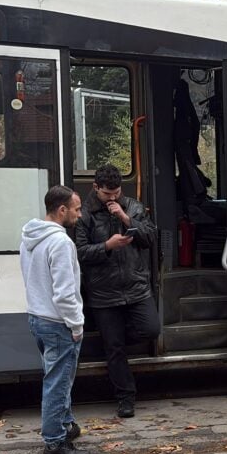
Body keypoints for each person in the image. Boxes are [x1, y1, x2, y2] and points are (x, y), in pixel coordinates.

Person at [75, 164, 160, 418]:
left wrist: (126, 218)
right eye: (107, 194)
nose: (112, 198)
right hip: (103, 292)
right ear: (95, 188)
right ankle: (126, 397)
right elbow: (79, 252)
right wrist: (107, 246)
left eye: (116, 192)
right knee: (114, 349)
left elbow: (150, 238)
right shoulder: (85, 214)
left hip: (136, 286)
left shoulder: (133, 206)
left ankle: (118, 338)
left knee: (151, 329)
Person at [20, 185, 91, 454]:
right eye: (76, 209)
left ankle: (66, 426)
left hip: (37, 317)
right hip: (58, 321)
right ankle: (54, 445)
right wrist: (77, 324)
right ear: (62, 210)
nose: (80, 214)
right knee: (58, 383)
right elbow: (65, 292)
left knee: (56, 378)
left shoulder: (29, 237)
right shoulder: (61, 243)